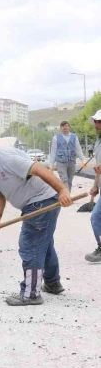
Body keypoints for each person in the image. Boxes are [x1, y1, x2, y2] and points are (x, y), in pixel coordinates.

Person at [0, 128, 72, 306]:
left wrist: (63, 190)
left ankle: (31, 293)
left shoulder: (6, 158)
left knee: (31, 244)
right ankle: (52, 283)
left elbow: (39, 170)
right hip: (33, 203)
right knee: (43, 244)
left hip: (42, 200)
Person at [48, 121, 85, 191]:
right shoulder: (56, 138)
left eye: (66, 126)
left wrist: (83, 160)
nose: (65, 128)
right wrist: (51, 164)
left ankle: (67, 196)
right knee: (64, 180)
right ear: (60, 128)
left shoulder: (74, 137)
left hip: (71, 162)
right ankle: (67, 198)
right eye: (63, 126)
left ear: (69, 127)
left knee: (69, 181)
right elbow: (53, 152)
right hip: (60, 162)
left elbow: (78, 149)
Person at [85, 110, 101, 263]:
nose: (97, 124)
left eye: (100, 121)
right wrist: (95, 186)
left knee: (96, 217)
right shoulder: (98, 141)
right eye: (96, 121)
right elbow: (98, 167)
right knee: (97, 218)